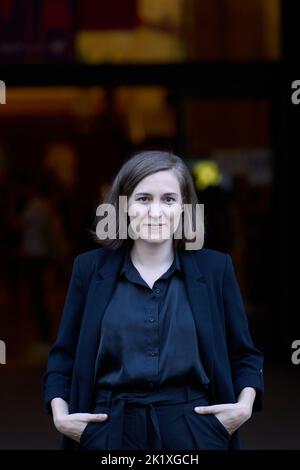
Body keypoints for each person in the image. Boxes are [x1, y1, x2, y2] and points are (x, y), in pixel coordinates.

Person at [43, 150, 264, 450]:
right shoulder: (90, 269)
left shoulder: (215, 269)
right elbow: (63, 356)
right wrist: (60, 416)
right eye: (144, 198)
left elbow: (244, 355)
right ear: (123, 205)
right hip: (108, 431)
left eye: (169, 199)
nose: (156, 211)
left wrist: (243, 407)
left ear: (185, 207)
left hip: (195, 430)